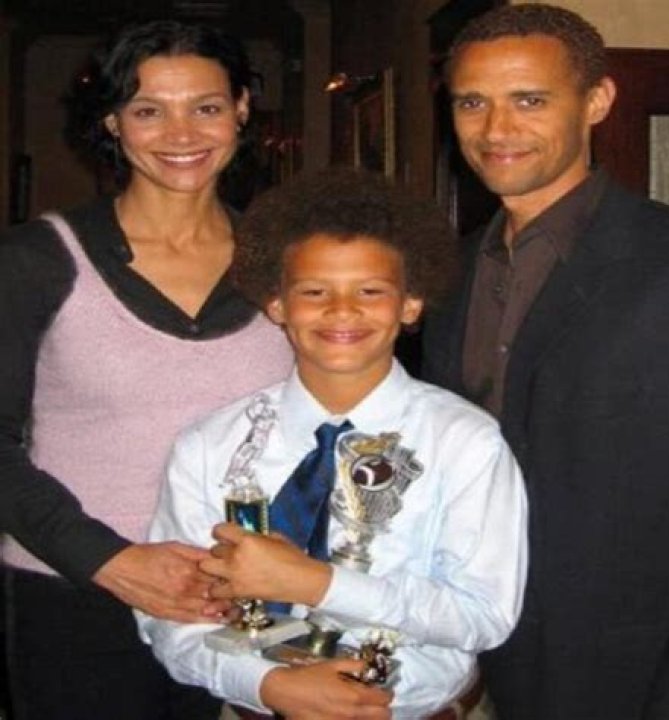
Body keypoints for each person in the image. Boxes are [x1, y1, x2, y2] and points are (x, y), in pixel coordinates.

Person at [137, 168, 528, 719]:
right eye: (314, 291)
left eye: (370, 291)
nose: (342, 309)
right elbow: (169, 617)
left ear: (410, 305)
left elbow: (484, 615)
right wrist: (267, 685)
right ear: (277, 304)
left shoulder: (465, 443)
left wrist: (317, 584)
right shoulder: (209, 446)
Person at [422, 4, 669, 719]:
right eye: (472, 102)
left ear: (597, 101)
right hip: (486, 652)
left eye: (529, 100)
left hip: (653, 665)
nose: (496, 129)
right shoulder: (445, 276)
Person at [0, 19, 292, 720]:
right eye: (148, 110)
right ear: (112, 121)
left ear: (241, 110)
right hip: (76, 597)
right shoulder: (37, 259)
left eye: (206, 106)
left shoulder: (288, 260)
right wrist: (112, 560)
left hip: (237, 601)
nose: (181, 133)